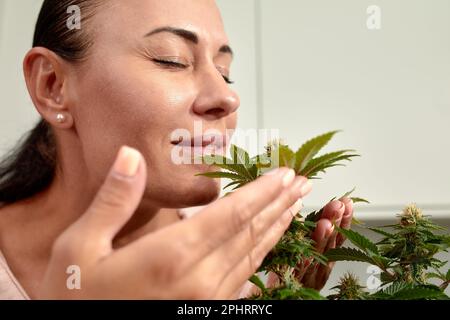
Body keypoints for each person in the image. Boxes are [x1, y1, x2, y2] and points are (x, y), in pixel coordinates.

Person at [0, 0, 353, 299]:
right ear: (52, 85)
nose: (228, 98)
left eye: (224, 72)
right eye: (172, 60)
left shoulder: (249, 276)